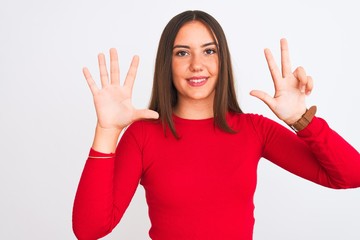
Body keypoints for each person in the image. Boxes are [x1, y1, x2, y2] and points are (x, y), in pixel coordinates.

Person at [72, 10, 360, 240]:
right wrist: (107, 132)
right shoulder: (143, 135)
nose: (197, 64)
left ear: (222, 60)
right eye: (182, 52)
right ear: (167, 63)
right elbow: (89, 230)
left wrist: (302, 120)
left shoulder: (253, 130)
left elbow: (350, 176)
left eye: (209, 51)